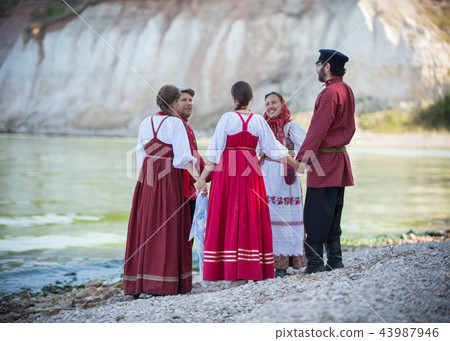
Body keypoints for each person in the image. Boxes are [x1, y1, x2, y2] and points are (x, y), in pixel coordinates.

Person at [196, 81, 299, 284]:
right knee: (250, 215)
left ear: (233, 99)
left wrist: (201, 180)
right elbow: (274, 150)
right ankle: (249, 269)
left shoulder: (227, 118)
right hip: (251, 170)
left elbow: (214, 154)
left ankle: (229, 271)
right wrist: (296, 164)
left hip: (227, 171)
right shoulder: (258, 121)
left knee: (226, 216)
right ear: (251, 99)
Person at [123, 85, 200, 297]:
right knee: (170, 228)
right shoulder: (176, 123)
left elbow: (140, 154)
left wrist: (149, 174)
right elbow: (183, 158)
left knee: (146, 227)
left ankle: (140, 282)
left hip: (147, 178)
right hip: (169, 180)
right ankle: (164, 284)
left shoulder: (146, 122)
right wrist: (199, 181)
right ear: (175, 103)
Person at [296, 49, 355, 274]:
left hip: (325, 161)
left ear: (327, 67)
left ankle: (314, 264)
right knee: (332, 212)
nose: (316, 69)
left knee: (315, 214)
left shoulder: (329, 93)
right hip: (339, 158)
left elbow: (317, 130)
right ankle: (335, 260)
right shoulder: (346, 89)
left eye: (318, 64)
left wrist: (302, 160)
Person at [261, 92, 307, 277]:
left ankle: (284, 263)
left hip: (286, 178)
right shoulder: (262, 125)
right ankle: (270, 262)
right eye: (267, 104)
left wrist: (300, 164)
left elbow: (306, 145)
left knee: (286, 218)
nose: (270, 106)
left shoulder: (291, 126)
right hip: (266, 176)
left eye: (274, 103)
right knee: (269, 217)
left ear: (282, 104)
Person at [177, 87, 209, 221]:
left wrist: (216, 171)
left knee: (188, 238)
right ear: (173, 103)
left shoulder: (187, 126)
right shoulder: (175, 126)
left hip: (190, 192)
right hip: (178, 194)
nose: (189, 103)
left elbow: (195, 158)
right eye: (183, 100)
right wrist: (200, 180)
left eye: (190, 100)